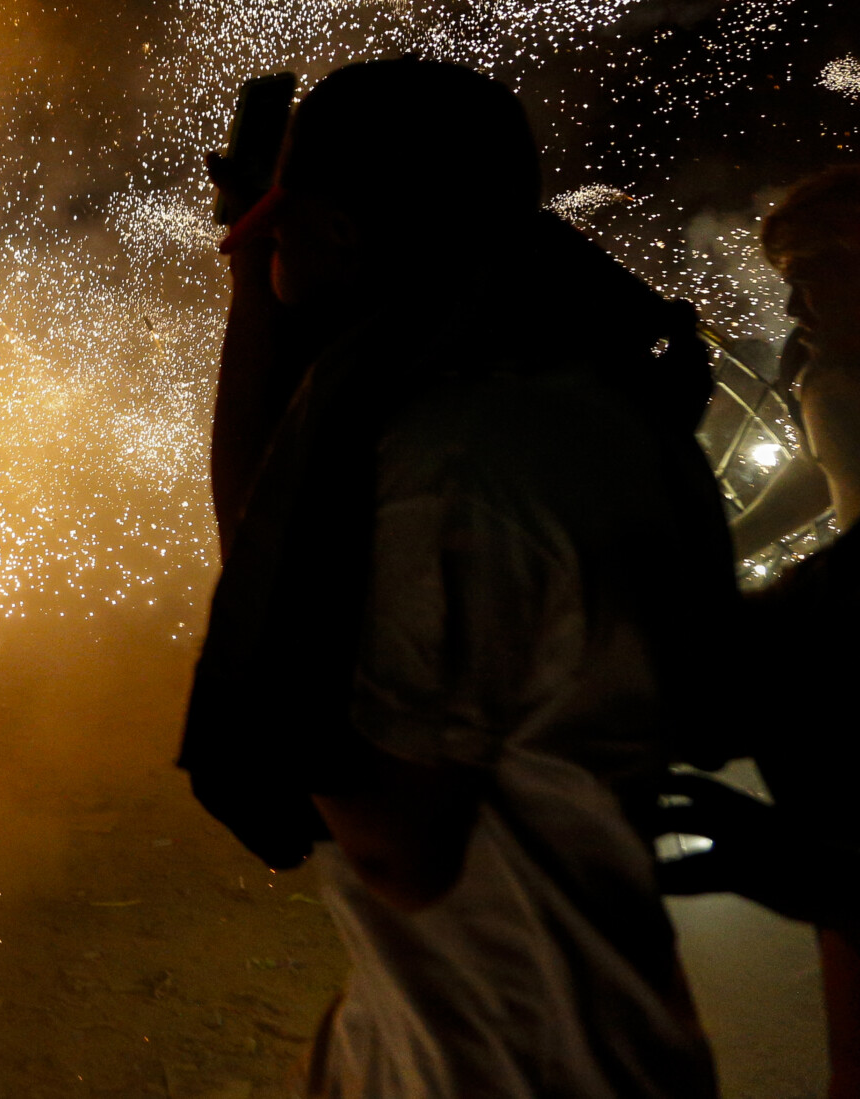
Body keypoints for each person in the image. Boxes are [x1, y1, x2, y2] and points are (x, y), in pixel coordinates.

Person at [180, 57, 742, 1099]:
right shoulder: (575, 392)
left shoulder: (460, 465)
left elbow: (399, 844)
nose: (266, 238)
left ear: (342, 231)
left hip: (522, 1059)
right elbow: (277, 543)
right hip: (509, 1032)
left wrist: (280, 688)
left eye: (282, 214)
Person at [654, 165, 860, 1097]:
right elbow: (822, 476)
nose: (795, 300)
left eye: (815, 268)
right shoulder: (825, 352)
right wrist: (724, 550)